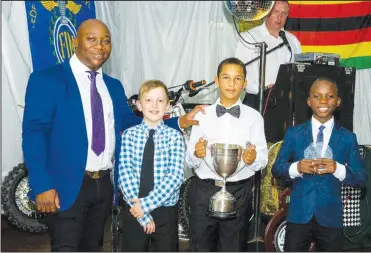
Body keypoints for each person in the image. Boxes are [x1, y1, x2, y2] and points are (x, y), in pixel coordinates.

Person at [22, 19, 204, 252]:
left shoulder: (113, 86)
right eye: (92, 39)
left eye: (106, 41)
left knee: (93, 247)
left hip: (103, 187)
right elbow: (34, 134)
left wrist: (178, 122)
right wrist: (41, 184)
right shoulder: (47, 79)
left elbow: (132, 123)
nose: (100, 46)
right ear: (75, 42)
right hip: (65, 186)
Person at [272, 77, 367, 252]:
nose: (323, 101)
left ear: (338, 102)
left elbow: (361, 179)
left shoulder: (347, 138)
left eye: (329, 96)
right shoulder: (294, 134)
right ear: (309, 101)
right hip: (299, 215)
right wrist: (296, 167)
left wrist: (338, 169)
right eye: (317, 96)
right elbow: (277, 169)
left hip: (331, 216)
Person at [185, 57, 268, 251]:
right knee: (200, 247)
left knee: (234, 247)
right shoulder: (201, 115)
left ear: (245, 83)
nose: (232, 84)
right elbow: (189, 160)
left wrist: (252, 158)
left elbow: (262, 158)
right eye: (226, 77)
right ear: (217, 80)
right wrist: (197, 154)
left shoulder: (254, 117)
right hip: (204, 190)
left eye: (237, 78)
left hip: (239, 192)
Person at [118, 80, 184, 252]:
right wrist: (142, 213)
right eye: (148, 100)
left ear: (168, 105)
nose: (154, 105)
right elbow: (124, 173)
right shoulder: (129, 136)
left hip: (165, 210)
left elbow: (175, 176)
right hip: (134, 207)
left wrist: (145, 206)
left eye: (160, 101)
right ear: (139, 105)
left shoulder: (175, 137)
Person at [235, 0, 302, 110]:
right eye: (276, 12)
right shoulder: (249, 37)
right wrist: (263, 88)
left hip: (285, 102)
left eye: (284, 13)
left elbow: (299, 72)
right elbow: (239, 72)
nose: (280, 17)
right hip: (256, 100)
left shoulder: (293, 41)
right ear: (267, 12)